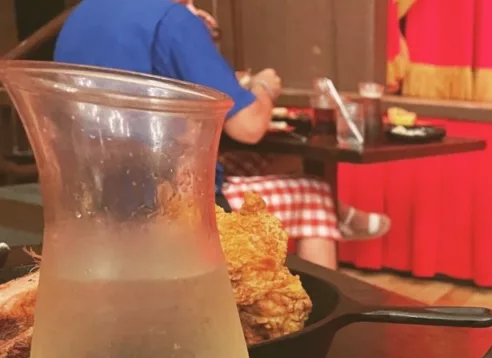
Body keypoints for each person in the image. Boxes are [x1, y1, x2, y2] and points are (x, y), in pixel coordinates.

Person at [53, 0, 390, 270]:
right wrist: (264, 87)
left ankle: (340, 214)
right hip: (171, 206)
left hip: (92, 197)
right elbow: (248, 127)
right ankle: (301, 312)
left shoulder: (80, 16)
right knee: (313, 193)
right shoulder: (172, 21)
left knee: (277, 159)